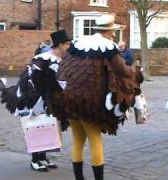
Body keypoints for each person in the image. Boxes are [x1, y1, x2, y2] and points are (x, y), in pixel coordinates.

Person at [56, 14, 143, 180]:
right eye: (113, 32)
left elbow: (64, 67)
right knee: (95, 140)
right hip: (90, 103)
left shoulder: (77, 43)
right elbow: (123, 70)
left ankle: (79, 178)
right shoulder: (108, 46)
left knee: (78, 140)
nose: (114, 35)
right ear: (109, 32)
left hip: (69, 98)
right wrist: (137, 73)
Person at [0, 30, 71, 172]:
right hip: (36, 100)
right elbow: (29, 79)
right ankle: (35, 160)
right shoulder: (43, 58)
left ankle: (43, 157)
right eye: (67, 44)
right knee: (37, 127)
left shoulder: (61, 59)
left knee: (49, 127)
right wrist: (35, 99)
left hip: (51, 100)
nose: (69, 46)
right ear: (60, 45)